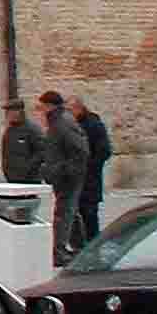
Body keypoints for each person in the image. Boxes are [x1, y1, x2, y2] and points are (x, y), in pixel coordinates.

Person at [36, 88, 92, 260]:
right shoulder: (57, 121)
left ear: (49, 106)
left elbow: (81, 150)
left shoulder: (63, 122)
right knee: (70, 212)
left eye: (41, 107)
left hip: (68, 176)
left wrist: (64, 170)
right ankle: (81, 247)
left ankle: (60, 251)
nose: (39, 111)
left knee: (63, 213)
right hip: (62, 175)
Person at [71, 95, 120, 257]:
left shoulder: (94, 124)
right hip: (77, 178)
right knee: (76, 214)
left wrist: (88, 166)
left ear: (79, 108)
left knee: (90, 214)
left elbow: (104, 151)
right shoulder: (74, 124)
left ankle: (94, 248)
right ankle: (80, 248)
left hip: (90, 179)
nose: (69, 114)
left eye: (71, 110)